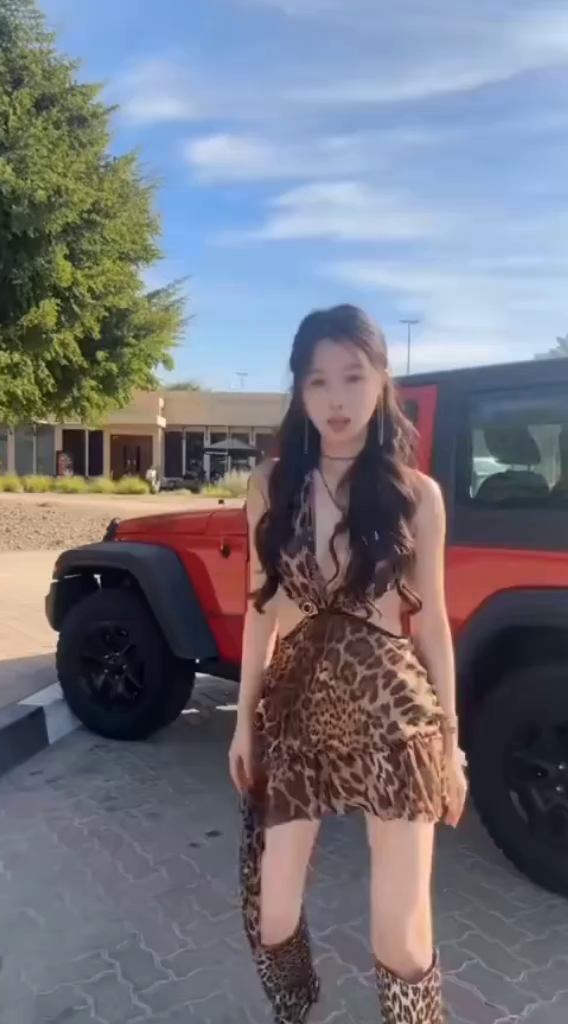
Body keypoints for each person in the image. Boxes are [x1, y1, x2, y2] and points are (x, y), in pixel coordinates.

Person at [229, 305, 467, 1023]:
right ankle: (296, 1008)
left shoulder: (416, 495)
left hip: (396, 714)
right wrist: (243, 723)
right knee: (272, 914)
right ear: (300, 391)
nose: (336, 398)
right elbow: (258, 610)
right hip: (296, 710)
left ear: (382, 380)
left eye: (353, 377)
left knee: (401, 934)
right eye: (318, 380)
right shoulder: (271, 485)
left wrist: (451, 746)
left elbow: (434, 627)